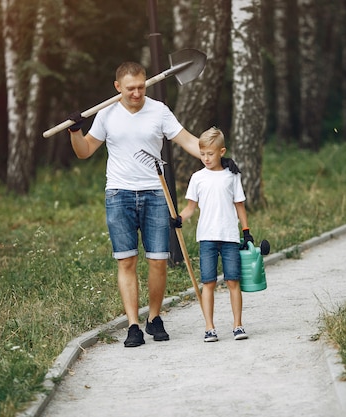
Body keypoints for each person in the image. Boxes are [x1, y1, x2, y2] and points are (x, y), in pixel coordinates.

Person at [67, 62, 237, 348]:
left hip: (155, 194)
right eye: (130, 88)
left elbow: (187, 141)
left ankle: (154, 318)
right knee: (127, 260)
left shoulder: (158, 111)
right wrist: (74, 132)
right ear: (117, 86)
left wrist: (216, 158)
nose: (136, 93)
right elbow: (84, 151)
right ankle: (133, 325)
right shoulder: (106, 113)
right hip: (118, 194)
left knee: (158, 261)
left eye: (141, 87)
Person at [175, 127, 254, 342]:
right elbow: (190, 208)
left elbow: (240, 206)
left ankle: (238, 325)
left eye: (210, 154)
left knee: (233, 282)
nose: (206, 158)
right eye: (202, 154)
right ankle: (209, 327)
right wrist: (178, 219)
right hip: (207, 237)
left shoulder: (232, 176)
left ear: (221, 151)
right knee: (208, 283)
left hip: (229, 236)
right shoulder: (197, 178)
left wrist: (246, 232)